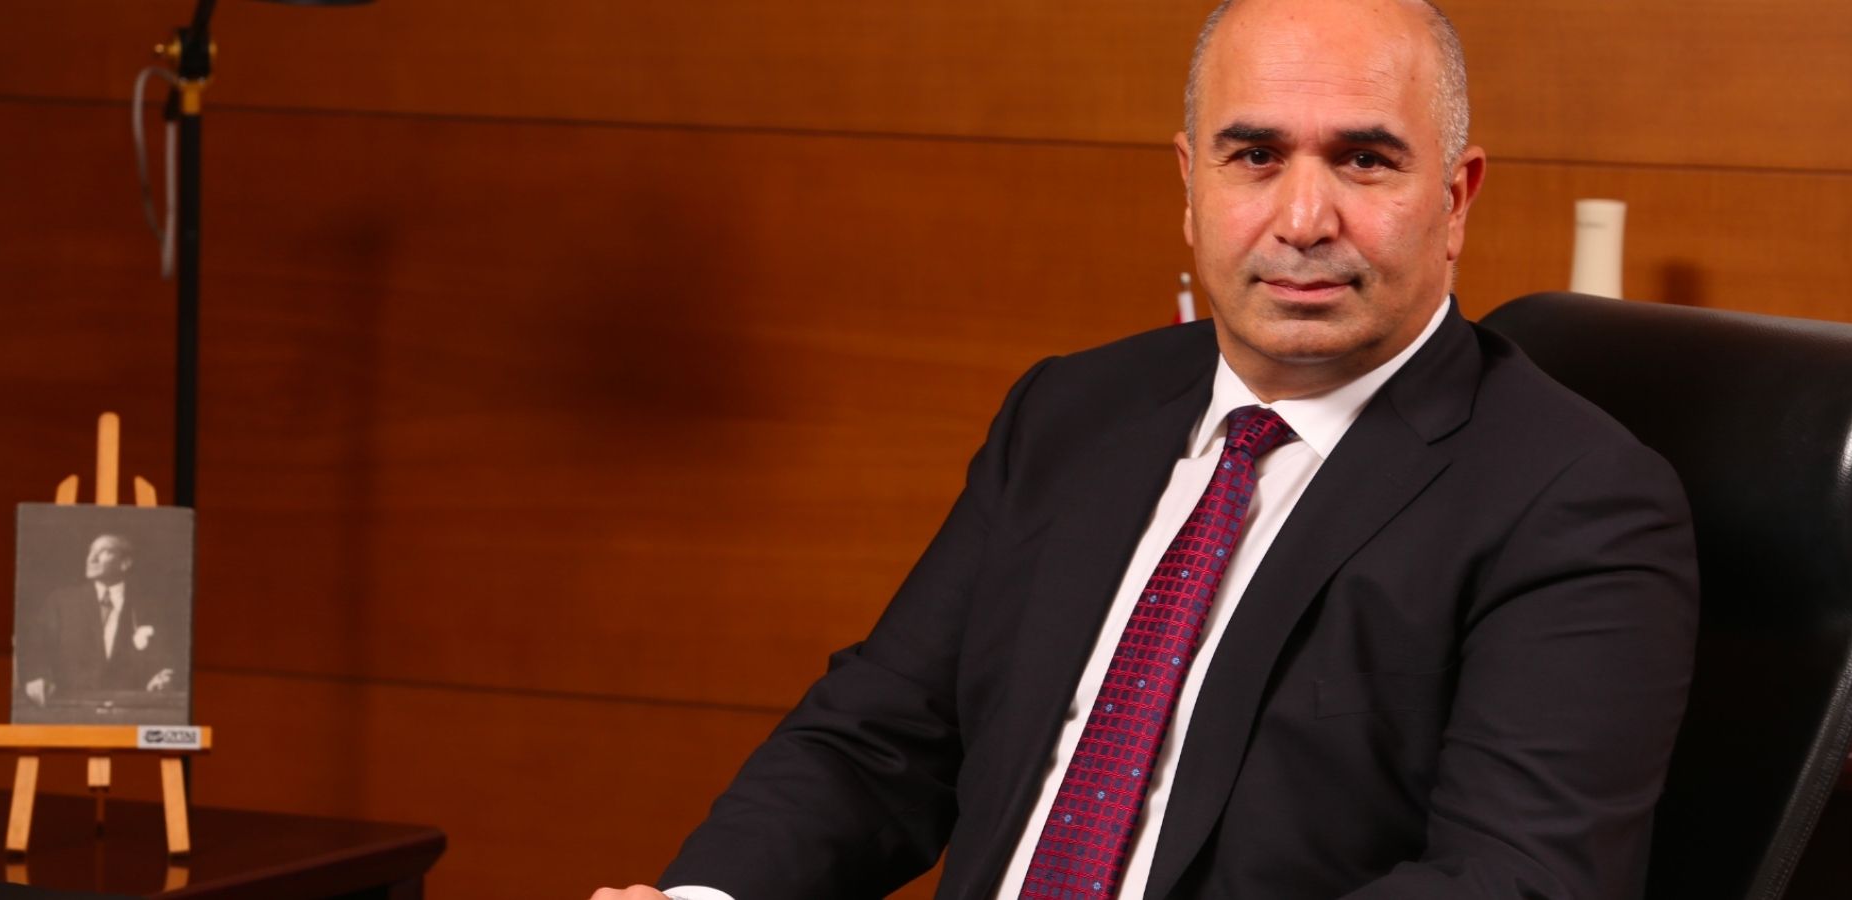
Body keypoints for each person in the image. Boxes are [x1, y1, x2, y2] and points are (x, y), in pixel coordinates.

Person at [594, 0, 1697, 897]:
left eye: (1364, 160)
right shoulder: (1071, 411)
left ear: (1454, 200)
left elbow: (1517, 881)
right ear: (1189, 186)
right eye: (1254, 155)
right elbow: (882, 739)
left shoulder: (1576, 502)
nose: (1303, 218)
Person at [20, 533, 178, 707]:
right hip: (71, 706)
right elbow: (37, 648)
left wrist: (162, 677)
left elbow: (164, 658)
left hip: (130, 708)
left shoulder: (149, 607)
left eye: (104, 551)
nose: (92, 558)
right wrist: (37, 677)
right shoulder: (61, 602)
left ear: (125, 563)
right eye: (91, 551)